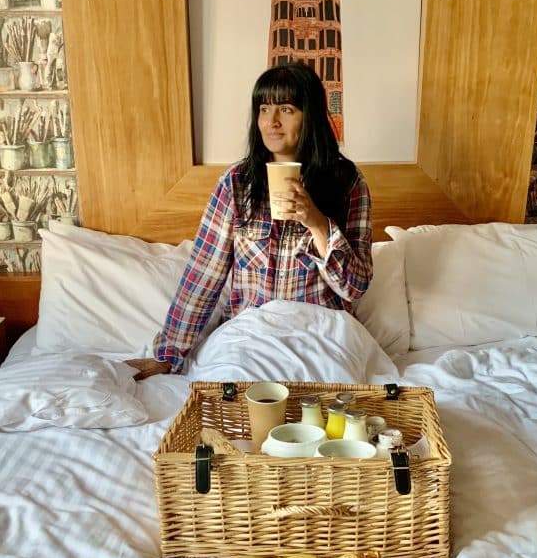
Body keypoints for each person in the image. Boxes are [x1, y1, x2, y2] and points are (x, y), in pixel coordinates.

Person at [128, 62, 373, 379]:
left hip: (320, 331)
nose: (271, 122)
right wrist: (168, 355)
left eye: (286, 109)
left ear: (309, 115)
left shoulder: (348, 183)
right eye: (263, 108)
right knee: (233, 398)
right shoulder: (237, 183)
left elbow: (355, 288)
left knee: (327, 403)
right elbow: (204, 273)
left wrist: (317, 222)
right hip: (250, 332)